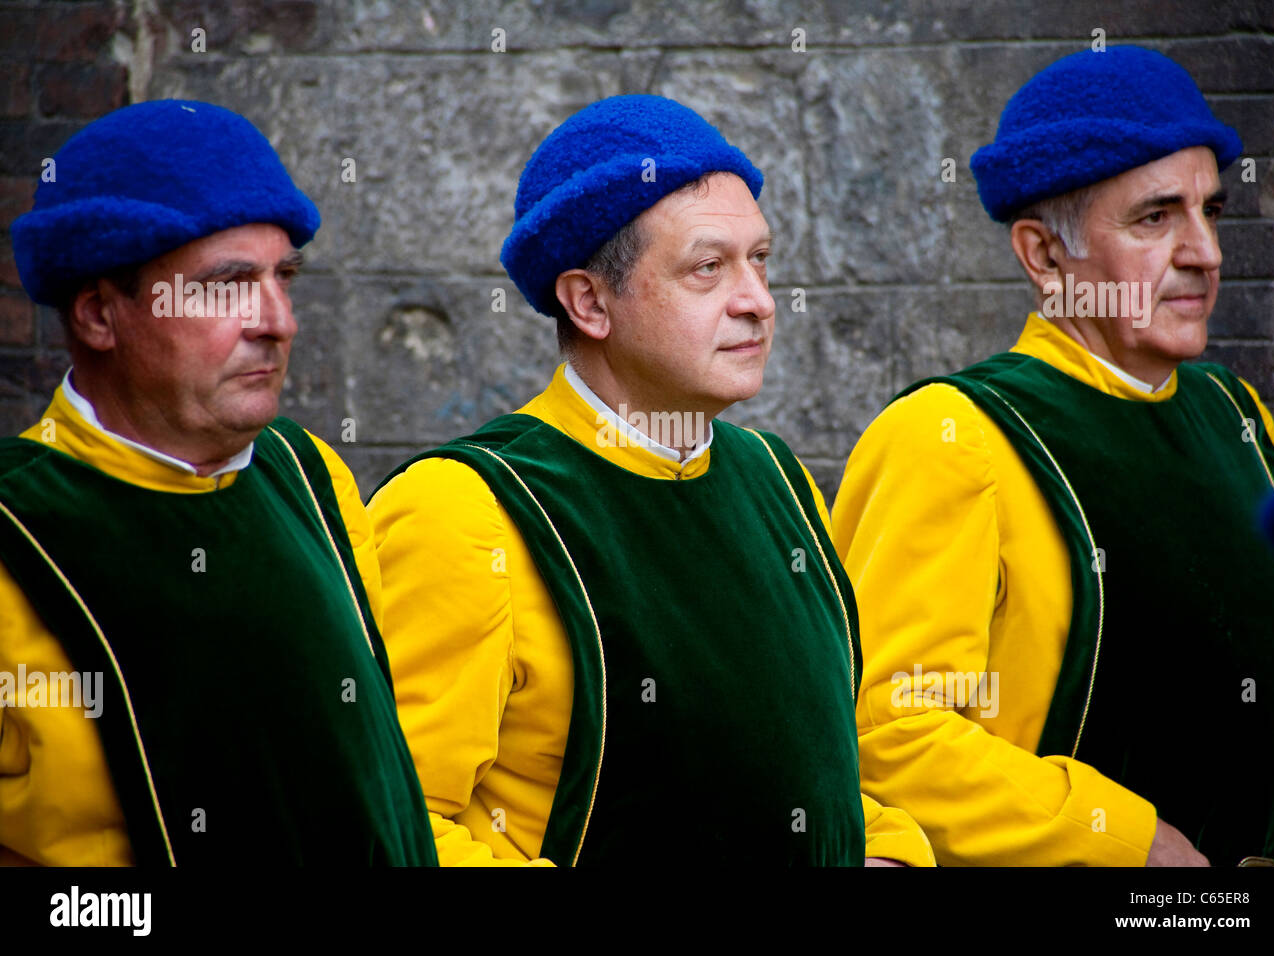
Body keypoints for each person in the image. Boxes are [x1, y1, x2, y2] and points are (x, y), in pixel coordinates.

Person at [368, 94, 934, 866]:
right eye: (708, 268)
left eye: (760, 260)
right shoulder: (469, 509)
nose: (759, 303)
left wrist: (891, 852)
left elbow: (820, 768)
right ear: (590, 302)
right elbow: (392, 826)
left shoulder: (778, 482)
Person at [832, 46, 1274, 867]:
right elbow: (888, 735)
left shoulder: (1233, 414)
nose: (1205, 253)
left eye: (1211, 211)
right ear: (1045, 256)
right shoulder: (954, 436)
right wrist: (1124, 839)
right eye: (1155, 218)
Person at [0, 99, 437, 866]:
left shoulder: (309, 476)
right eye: (228, 285)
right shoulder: (18, 529)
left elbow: (385, 790)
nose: (278, 321)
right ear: (102, 314)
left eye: (284, 278)